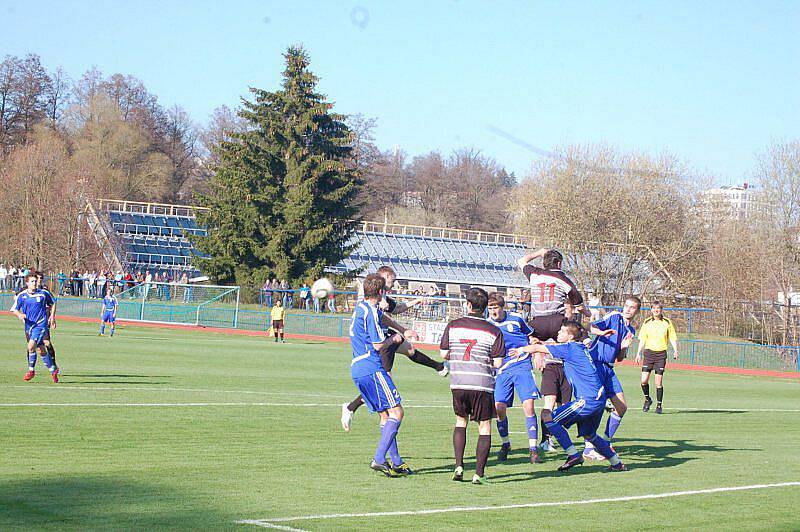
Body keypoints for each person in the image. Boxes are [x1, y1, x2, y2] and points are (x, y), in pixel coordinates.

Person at [341, 266, 448, 432]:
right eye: (393, 280)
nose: (394, 283)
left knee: (410, 350)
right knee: (384, 385)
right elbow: (375, 312)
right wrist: (394, 332)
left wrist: (415, 304)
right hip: (379, 342)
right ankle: (352, 408)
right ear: (384, 277)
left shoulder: (382, 295)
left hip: (384, 335)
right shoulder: (371, 295)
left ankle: (439, 366)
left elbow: (396, 309)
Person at [514, 321, 630, 472]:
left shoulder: (568, 348)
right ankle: (617, 464)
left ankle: (573, 454)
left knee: (549, 418)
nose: (558, 334)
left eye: (561, 331)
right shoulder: (579, 346)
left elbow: (538, 348)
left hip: (587, 400)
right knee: (590, 434)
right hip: (598, 400)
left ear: (569, 336)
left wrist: (521, 349)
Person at [518, 248, 590, 450]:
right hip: (558, 321)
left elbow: (521, 259)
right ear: (559, 264)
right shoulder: (563, 278)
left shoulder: (534, 273)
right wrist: (587, 312)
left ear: (545, 261)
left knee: (522, 341)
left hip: (538, 321)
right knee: (582, 338)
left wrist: (538, 252)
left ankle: (516, 364)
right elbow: (578, 301)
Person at [440, 287, 504, 484]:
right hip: (482, 384)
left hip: (459, 383)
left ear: (468, 305)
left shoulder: (453, 325)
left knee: (461, 421)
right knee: (484, 426)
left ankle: (459, 465)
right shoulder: (494, 330)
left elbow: (443, 354)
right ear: (485, 308)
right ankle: (479, 474)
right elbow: (498, 363)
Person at [349, 274, 410, 477]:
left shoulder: (361, 307)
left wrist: (400, 329)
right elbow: (377, 344)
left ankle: (397, 462)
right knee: (397, 413)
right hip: (371, 367)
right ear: (381, 292)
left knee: (385, 415)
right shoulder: (371, 313)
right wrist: (394, 338)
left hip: (357, 368)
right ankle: (379, 458)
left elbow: (380, 317)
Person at [486, 292, 543, 464]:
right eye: (490, 308)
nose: (492, 311)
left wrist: (534, 350)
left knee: (529, 405)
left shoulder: (516, 319)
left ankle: (533, 450)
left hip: (521, 365)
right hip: (502, 370)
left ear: (502, 307)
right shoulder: (487, 325)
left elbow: (532, 336)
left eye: (495, 307)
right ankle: (506, 444)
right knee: (499, 408)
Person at [582, 296, 641, 460]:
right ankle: (588, 448)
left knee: (621, 407)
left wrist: (623, 348)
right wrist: (602, 332)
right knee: (596, 406)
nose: (628, 309)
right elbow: (589, 327)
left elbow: (620, 358)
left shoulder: (631, 331)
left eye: (632, 307)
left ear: (637, 311)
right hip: (596, 365)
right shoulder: (614, 316)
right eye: (627, 305)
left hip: (609, 368)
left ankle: (605, 443)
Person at [11, 272, 59, 382]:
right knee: (41, 349)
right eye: (32, 281)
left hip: (41, 325)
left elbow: (53, 302)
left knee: (31, 345)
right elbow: (14, 309)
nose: (35, 283)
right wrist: (20, 315)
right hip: (29, 326)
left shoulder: (43, 293)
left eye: (36, 281)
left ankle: (31, 371)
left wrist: (52, 317)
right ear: (27, 283)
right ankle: (52, 370)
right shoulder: (22, 296)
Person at [635, 301, 679, 414]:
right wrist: (638, 353)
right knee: (643, 380)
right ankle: (647, 399)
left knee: (658, 382)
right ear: (651, 310)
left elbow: (672, 337)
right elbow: (642, 339)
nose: (656, 310)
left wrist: (675, 350)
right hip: (649, 353)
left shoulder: (667, 322)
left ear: (661, 310)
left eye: (658, 308)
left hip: (660, 354)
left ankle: (659, 405)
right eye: (654, 308)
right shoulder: (647, 322)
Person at [35, 272, 59, 366]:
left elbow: (53, 302)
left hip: (43, 320)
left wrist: (52, 317)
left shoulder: (45, 290)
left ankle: (53, 363)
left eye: (41, 278)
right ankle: (31, 368)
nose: (39, 280)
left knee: (46, 342)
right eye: (37, 278)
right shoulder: (27, 289)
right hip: (32, 321)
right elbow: (17, 296)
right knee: (33, 345)